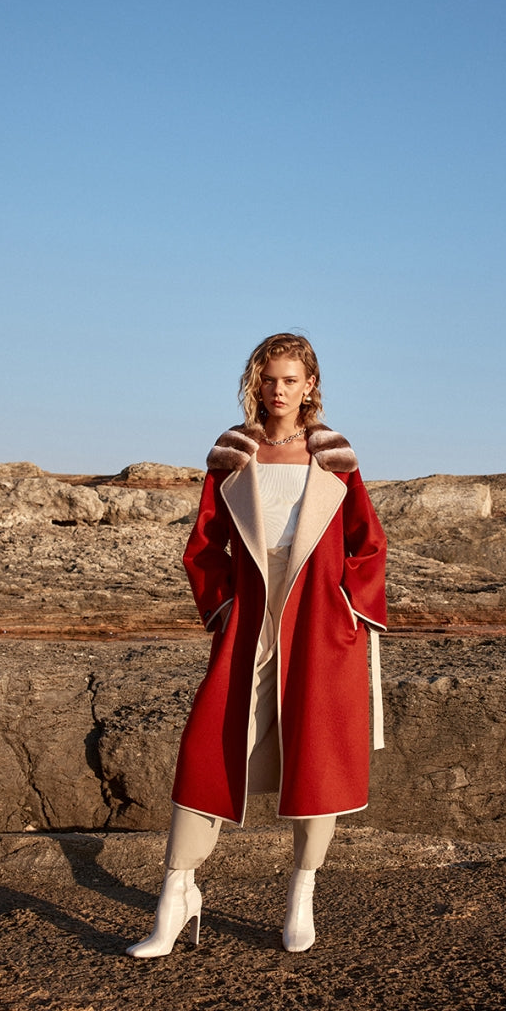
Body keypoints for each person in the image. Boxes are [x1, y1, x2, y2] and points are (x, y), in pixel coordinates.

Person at [126, 332, 387, 957]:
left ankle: (302, 894)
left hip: (322, 626)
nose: (278, 390)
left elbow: (369, 544)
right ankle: (176, 895)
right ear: (256, 383)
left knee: (315, 757)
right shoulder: (231, 454)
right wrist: (223, 607)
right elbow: (203, 546)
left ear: (310, 387)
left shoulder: (335, 457)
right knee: (206, 749)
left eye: (291, 380)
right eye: (269, 378)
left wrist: (349, 610)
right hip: (249, 622)